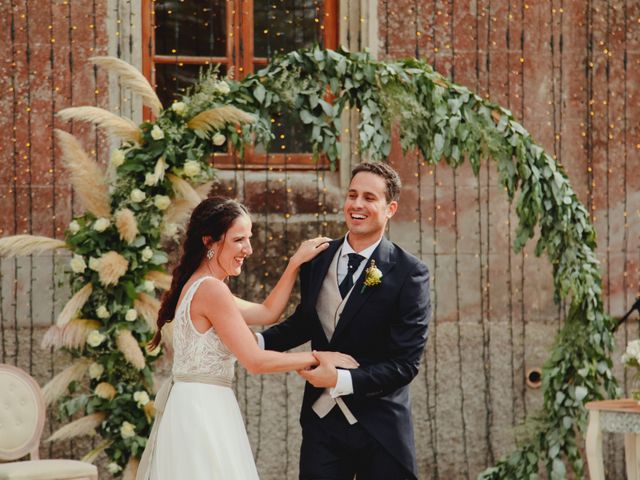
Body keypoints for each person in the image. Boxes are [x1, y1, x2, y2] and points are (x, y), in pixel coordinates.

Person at [137, 197, 357, 480]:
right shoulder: (211, 291)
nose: (248, 249)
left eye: (249, 238)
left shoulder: (200, 285)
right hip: (203, 411)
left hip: (192, 404)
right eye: (239, 239)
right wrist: (318, 357)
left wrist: (294, 264)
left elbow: (267, 312)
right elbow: (255, 360)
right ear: (210, 242)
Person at [259, 162, 431, 480]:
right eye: (352, 195)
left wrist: (338, 380)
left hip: (380, 427)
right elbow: (305, 322)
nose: (357, 204)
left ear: (390, 208)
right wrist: (252, 344)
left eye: (369, 197)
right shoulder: (318, 257)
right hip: (322, 425)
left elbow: (405, 365)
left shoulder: (410, 273)